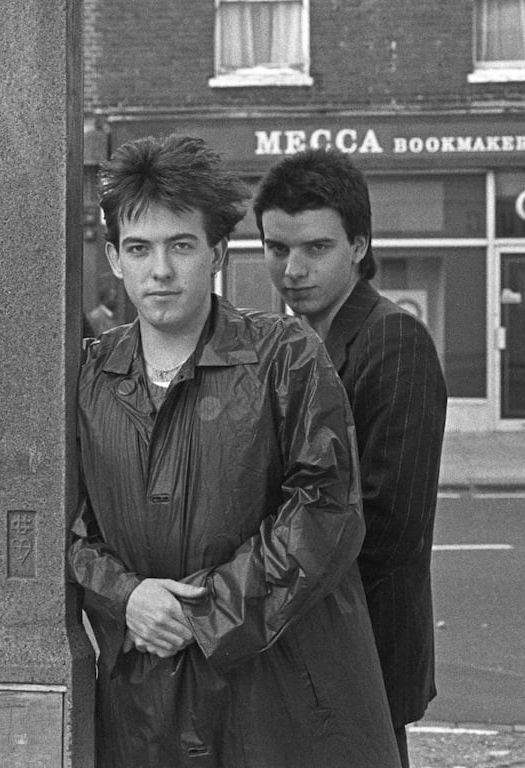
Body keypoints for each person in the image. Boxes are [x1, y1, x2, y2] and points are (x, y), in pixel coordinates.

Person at [68, 133, 401, 767]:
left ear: (217, 253)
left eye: (181, 246)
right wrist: (125, 596)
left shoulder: (285, 356)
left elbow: (326, 511)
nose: (159, 270)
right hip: (144, 696)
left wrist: (204, 613)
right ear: (113, 257)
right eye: (139, 248)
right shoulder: (87, 376)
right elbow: (66, 525)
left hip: (277, 688)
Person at [254, 148, 448, 768]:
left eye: (316, 248)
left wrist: (260, 585)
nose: (292, 269)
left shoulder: (392, 338)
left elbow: (392, 524)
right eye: (277, 248)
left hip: (362, 647)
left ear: (360, 246)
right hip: (304, 642)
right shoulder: (289, 343)